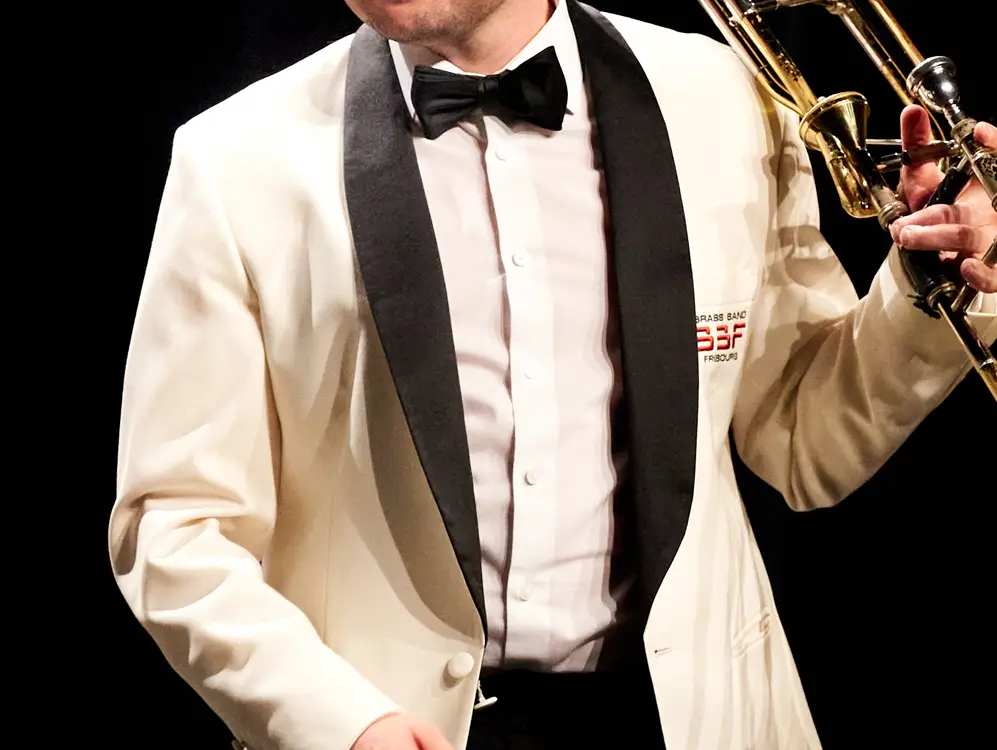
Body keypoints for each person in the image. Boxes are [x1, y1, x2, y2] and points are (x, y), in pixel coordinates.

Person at [109, 0, 997, 748]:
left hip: (687, 720)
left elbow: (805, 441)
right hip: (396, 728)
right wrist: (335, 723)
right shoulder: (233, 160)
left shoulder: (723, 99)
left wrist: (936, 282)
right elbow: (174, 526)